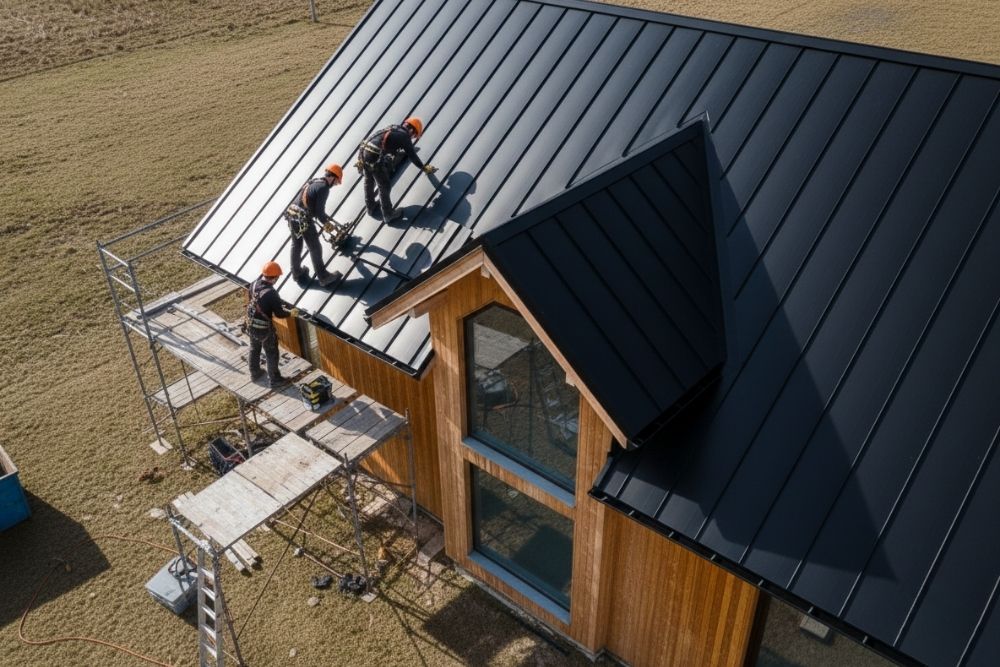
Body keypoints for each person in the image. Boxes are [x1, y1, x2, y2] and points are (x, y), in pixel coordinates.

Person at [359, 116, 437, 221]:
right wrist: (424, 168)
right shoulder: (404, 136)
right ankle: (388, 214)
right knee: (384, 185)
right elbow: (412, 156)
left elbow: (388, 145)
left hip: (364, 153)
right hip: (374, 156)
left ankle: (370, 207)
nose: (412, 138)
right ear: (411, 130)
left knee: (369, 180)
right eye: (414, 135)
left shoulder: (393, 128)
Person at [283, 163, 344, 286]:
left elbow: (312, 208)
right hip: (303, 220)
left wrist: (325, 220)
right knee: (315, 248)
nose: (336, 185)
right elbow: (320, 212)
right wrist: (328, 225)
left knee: (296, 245)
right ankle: (323, 277)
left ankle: (296, 272)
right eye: (337, 182)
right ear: (333, 177)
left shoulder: (314, 181)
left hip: (292, 215)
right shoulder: (324, 188)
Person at [245, 261, 299, 388]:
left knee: (254, 348)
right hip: (264, 329)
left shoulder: (253, 284)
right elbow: (279, 314)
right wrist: (291, 313)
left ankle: (255, 373)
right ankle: (275, 380)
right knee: (271, 352)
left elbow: (253, 300)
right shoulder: (271, 293)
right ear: (275, 278)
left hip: (251, 323)